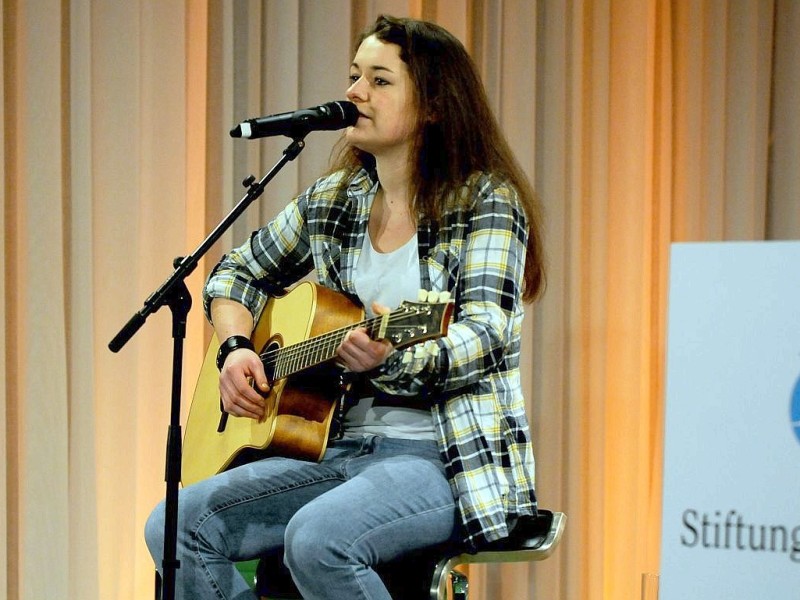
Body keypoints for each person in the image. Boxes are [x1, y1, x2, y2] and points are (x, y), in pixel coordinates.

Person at [145, 13, 545, 600]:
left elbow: (485, 333)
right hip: (330, 445)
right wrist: (233, 349)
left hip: (442, 456)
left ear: (433, 105)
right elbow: (234, 274)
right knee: (175, 527)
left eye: (379, 81)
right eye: (354, 76)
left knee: (317, 539)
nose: (354, 93)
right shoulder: (337, 199)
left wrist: (390, 360)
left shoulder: (485, 200)